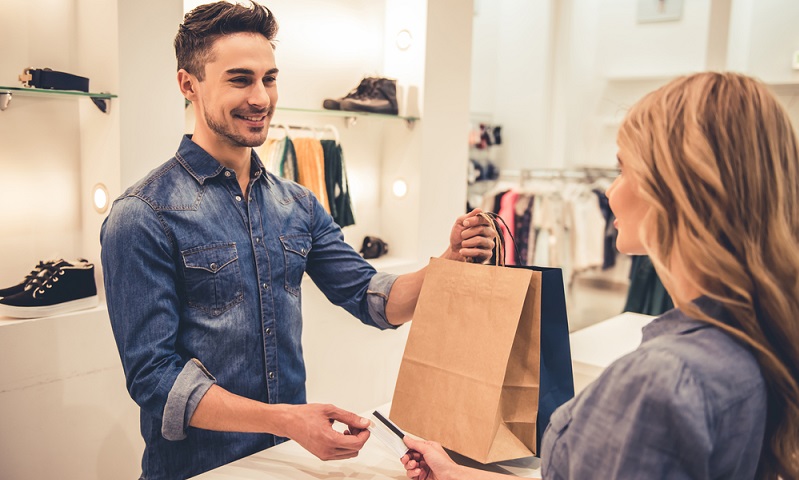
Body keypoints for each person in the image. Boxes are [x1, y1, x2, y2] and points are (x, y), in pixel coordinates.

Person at [99, 2, 495, 479]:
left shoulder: (297, 204)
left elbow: (373, 299)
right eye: (240, 80)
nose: (261, 98)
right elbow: (156, 378)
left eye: (269, 79)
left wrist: (450, 260)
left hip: (283, 464)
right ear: (189, 84)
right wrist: (289, 419)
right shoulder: (142, 215)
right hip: (199, 470)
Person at [400, 72, 799, 479]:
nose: (609, 192)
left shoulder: (663, 382)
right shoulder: (752, 340)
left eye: (623, 170)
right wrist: (456, 473)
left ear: (677, 190)